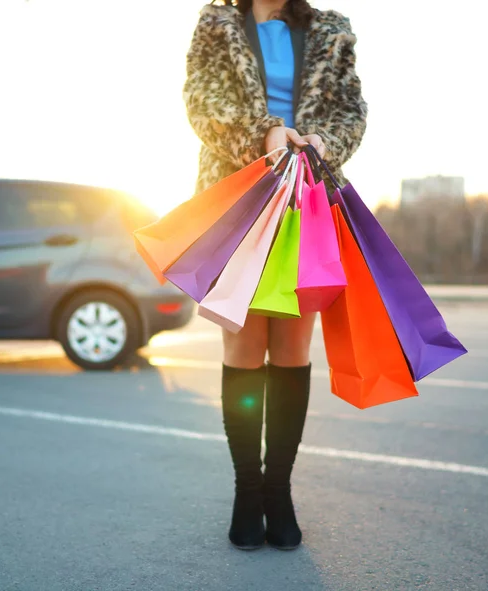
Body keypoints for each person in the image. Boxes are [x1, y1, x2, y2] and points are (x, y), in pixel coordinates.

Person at [183, 0, 367, 551]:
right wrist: (264, 135)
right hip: (237, 197)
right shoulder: (217, 22)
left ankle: (278, 492)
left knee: (291, 347)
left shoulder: (330, 29)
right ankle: (247, 491)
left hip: (308, 198)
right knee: (243, 344)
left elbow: (350, 110)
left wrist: (323, 144)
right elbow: (201, 101)